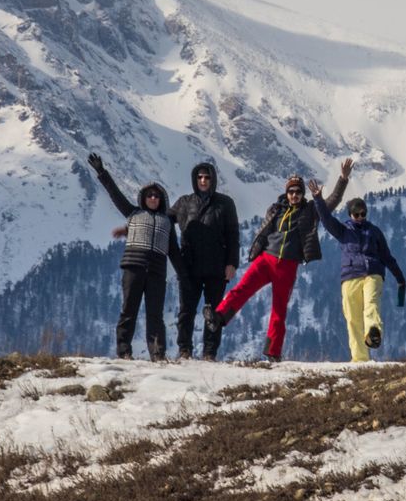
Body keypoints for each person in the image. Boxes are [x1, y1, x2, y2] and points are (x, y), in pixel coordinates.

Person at [206, 165, 349, 363]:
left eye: (298, 192)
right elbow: (265, 231)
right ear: (286, 192)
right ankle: (219, 317)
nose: (294, 195)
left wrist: (342, 179)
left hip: (288, 266)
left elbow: (332, 202)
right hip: (265, 260)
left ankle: (273, 352)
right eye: (291, 191)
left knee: (279, 310)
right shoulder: (275, 209)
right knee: (242, 289)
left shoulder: (310, 211)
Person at [88, 152, 184, 361]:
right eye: (149, 195)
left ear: (162, 200)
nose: (152, 198)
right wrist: (102, 172)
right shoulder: (132, 213)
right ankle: (124, 352)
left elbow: (174, 251)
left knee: (155, 315)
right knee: (128, 311)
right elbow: (115, 194)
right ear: (143, 197)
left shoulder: (167, 222)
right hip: (133, 267)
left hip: (157, 272)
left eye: (156, 196)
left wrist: (185, 275)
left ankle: (158, 354)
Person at [312, 186, 406, 362]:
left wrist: (400, 278)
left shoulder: (375, 231)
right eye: (357, 214)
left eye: (363, 213)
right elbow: (325, 219)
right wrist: (318, 199)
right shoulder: (343, 231)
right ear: (350, 214)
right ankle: (360, 358)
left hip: (373, 272)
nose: (361, 217)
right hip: (350, 276)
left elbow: (387, 256)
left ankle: (373, 331)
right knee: (352, 317)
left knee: (371, 302)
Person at [167, 161, 239, 361]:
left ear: (213, 179)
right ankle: (184, 351)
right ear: (194, 179)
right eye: (199, 177)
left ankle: (209, 353)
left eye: (207, 177)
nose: (203, 180)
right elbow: (162, 220)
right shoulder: (184, 202)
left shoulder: (225, 203)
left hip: (217, 266)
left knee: (214, 313)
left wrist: (232, 263)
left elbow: (233, 234)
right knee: (186, 311)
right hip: (189, 266)